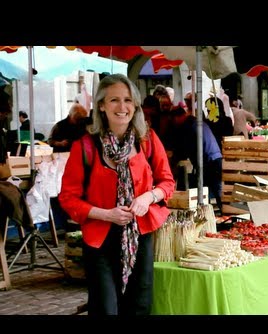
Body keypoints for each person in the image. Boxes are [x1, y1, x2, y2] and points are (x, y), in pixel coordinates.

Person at [58, 74, 175, 316]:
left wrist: (147, 197)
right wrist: (106, 214)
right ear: (101, 105)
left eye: (128, 100)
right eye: (114, 100)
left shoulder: (148, 140)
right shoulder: (85, 147)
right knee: (105, 307)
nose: (122, 107)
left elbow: (167, 182)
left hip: (139, 235)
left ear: (135, 105)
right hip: (100, 239)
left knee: (139, 304)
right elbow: (68, 198)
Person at [177, 112, 223, 215]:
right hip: (216, 158)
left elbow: (188, 147)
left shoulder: (190, 126)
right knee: (216, 190)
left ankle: (208, 215)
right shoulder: (200, 123)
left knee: (208, 191)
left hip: (209, 161)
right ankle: (218, 214)